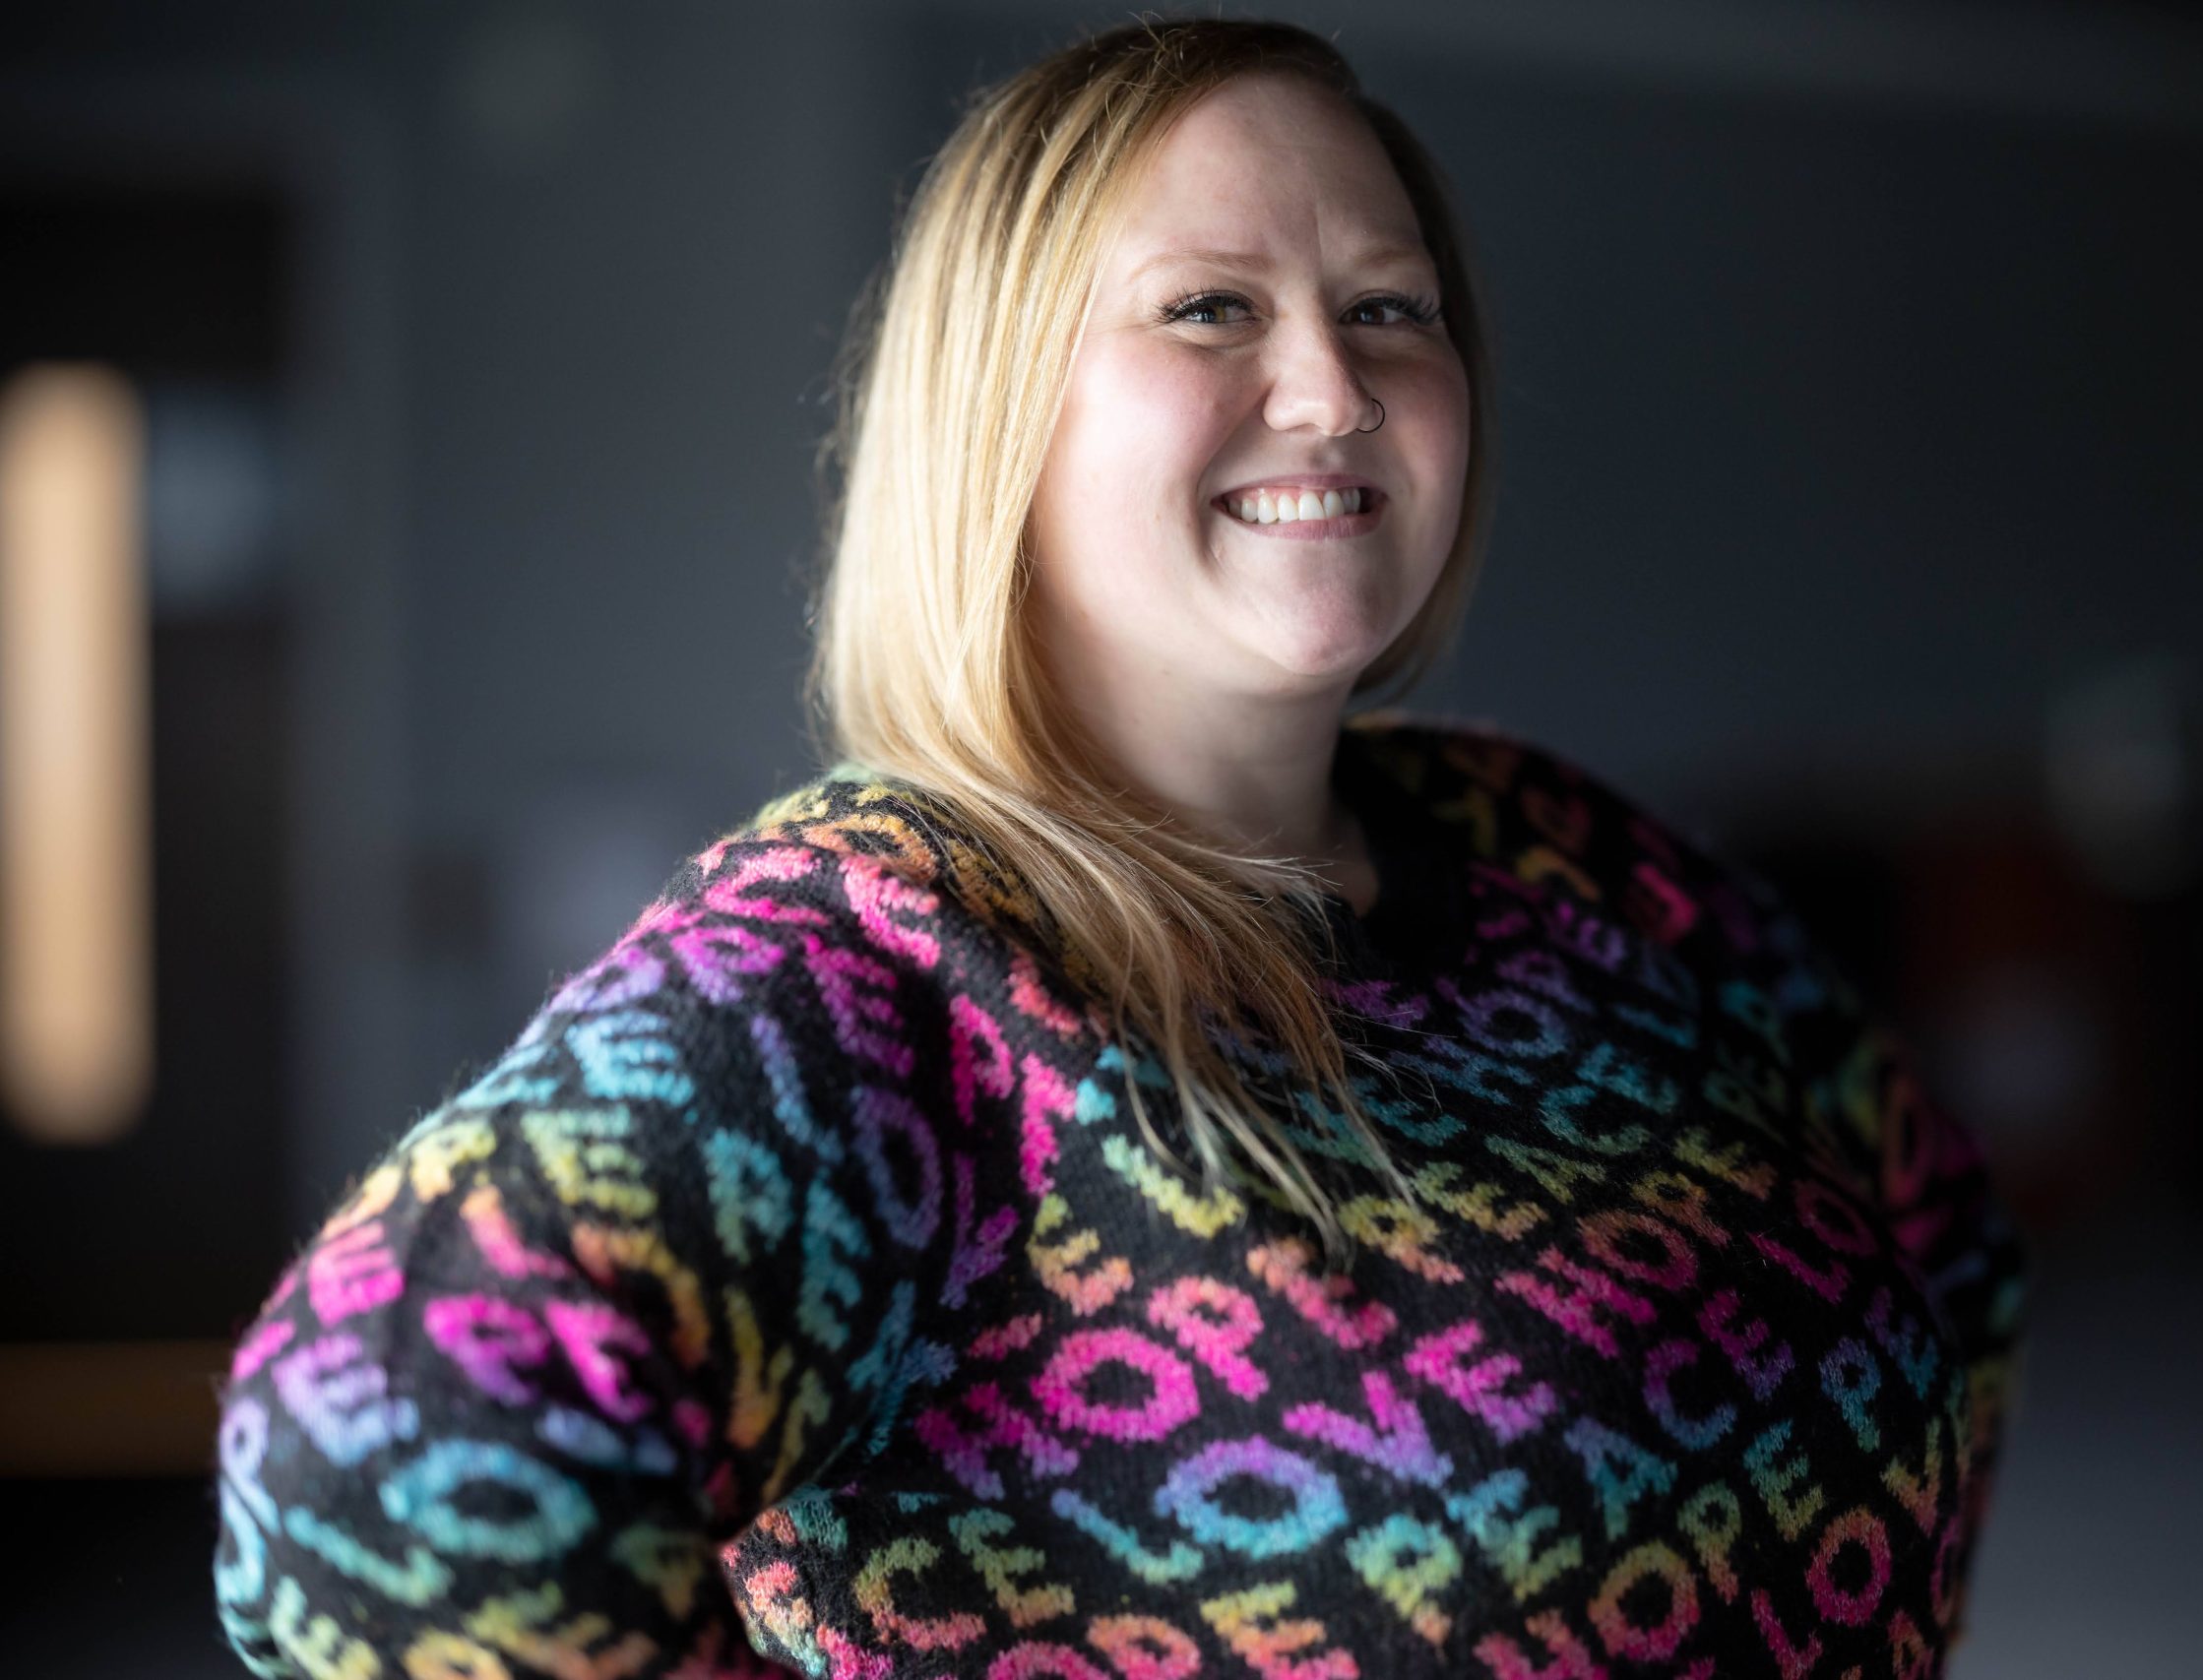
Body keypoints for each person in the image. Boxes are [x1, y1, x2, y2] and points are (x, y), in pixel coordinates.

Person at [213, 19, 2028, 1679]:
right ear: (1001, 406)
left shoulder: (1557, 847)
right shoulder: (880, 953)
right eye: (1210, 309)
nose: (1330, 387)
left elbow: (1942, 1237)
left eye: (1391, 308)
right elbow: (374, 1454)